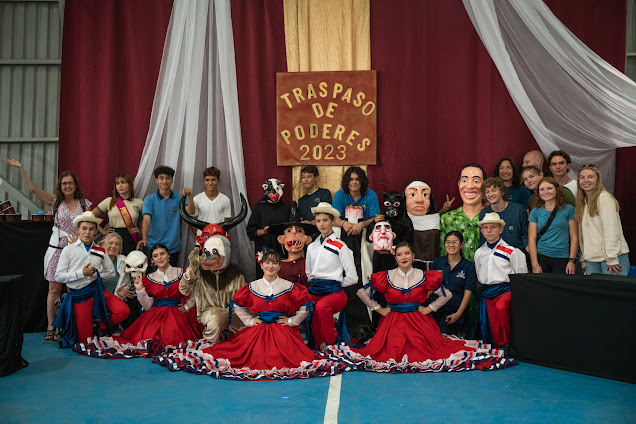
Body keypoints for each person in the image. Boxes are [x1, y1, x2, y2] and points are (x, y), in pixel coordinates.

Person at [153, 250, 346, 380]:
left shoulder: (289, 286)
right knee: (243, 355)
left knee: (291, 359)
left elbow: (306, 305)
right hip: (258, 331)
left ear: (279, 266)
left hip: (283, 332)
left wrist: (292, 321)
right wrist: (249, 320)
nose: (271, 266)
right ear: (261, 265)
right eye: (267, 262)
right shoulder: (253, 286)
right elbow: (237, 305)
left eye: (275, 263)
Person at [339, 242, 514, 373]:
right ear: (395, 257)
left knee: (427, 350)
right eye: (400, 254)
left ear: (413, 255)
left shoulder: (423, 275)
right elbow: (362, 292)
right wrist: (379, 309)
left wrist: (429, 309)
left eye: (407, 253)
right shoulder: (386, 276)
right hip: (392, 324)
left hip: (420, 324)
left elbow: (446, 295)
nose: (404, 257)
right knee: (388, 351)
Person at [4, 158, 92, 341]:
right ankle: (51, 326)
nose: (67, 186)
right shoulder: (55, 202)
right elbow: (34, 190)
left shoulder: (85, 204)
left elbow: (91, 225)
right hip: (57, 250)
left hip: (76, 251)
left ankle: (73, 325)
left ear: (75, 185)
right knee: (54, 289)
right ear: (60, 186)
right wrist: (21, 168)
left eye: (70, 183)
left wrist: (97, 236)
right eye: (64, 183)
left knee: (74, 288)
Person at [73, 244, 203, 358]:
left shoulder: (183, 272)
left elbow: (194, 292)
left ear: (168, 255)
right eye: (156, 256)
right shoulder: (148, 278)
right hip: (155, 315)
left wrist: (187, 306)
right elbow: (147, 306)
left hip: (178, 314)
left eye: (162, 254)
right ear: (152, 260)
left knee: (176, 337)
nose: (160, 257)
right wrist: (140, 289)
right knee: (148, 339)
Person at [52, 211, 129, 348]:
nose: (87, 232)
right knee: (85, 340)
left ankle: (103, 324)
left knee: (123, 311)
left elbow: (111, 273)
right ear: (77, 229)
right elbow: (58, 276)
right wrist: (81, 273)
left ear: (95, 231)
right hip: (81, 296)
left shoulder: (100, 250)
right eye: (84, 228)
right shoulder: (68, 250)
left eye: (91, 229)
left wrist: (95, 275)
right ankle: (96, 328)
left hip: (98, 291)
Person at [179, 195, 249, 343]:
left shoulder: (236, 273)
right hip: (210, 313)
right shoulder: (198, 271)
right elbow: (184, 290)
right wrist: (192, 269)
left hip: (233, 313)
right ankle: (210, 345)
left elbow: (244, 298)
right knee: (215, 320)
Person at [306, 202, 358, 350]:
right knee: (311, 311)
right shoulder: (311, 247)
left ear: (333, 221)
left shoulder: (341, 247)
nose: (322, 224)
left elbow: (353, 277)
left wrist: (335, 284)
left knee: (322, 307)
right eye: (318, 221)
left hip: (335, 293)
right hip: (315, 290)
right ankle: (320, 346)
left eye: (325, 220)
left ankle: (332, 344)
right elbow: (309, 273)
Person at [474, 212, 528, 348]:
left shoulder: (511, 251)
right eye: (485, 228)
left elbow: (521, 275)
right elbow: (479, 272)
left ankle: (509, 343)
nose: (489, 230)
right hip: (488, 291)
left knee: (501, 307)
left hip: (506, 290)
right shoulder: (479, 253)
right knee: (492, 320)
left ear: (501, 229)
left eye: (493, 227)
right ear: (482, 231)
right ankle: (498, 345)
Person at [575, 165, 630, 276]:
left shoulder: (604, 198)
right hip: (592, 260)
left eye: (590, 177)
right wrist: (583, 259)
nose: (586, 180)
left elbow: (611, 230)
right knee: (594, 288)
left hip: (612, 258)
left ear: (597, 180)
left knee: (613, 288)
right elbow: (583, 235)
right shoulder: (582, 202)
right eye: (582, 177)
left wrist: (611, 258)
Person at [138, 166, 194, 267]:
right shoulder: (149, 199)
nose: (165, 181)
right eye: (161, 178)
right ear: (156, 180)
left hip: (173, 246)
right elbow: (146, 220)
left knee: (171, 275)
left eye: (168, 178)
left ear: (172, 180)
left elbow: (190, 212)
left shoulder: (179, 197)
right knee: (153, 275)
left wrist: (189, 195)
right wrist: (144, 238)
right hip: (153, 246)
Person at [528, 178, 578, 274]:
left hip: (562, 257)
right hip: (541, 256)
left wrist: (571, 260)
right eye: (542, 189)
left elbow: (574, 237)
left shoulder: (569, 209)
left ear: (557, 190)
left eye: (549, 188)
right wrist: (535, 265)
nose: (545, 192)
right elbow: (531, 239)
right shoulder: (535, 211)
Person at [431, 231, 476, 336]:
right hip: (436, 305)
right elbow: (430, 287)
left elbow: (467, 294)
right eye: (448, 242)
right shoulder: (438, 262)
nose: (451, 245)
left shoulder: (468, 266)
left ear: (461, 245)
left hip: (455, 308)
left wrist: (458, 314)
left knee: (443, 334)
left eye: (455, 242)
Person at [440, 163, 486, 262]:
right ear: (459, 184)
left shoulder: (492, 217)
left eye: (476, 181)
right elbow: (443, 256)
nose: (469, 186)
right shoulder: (447, 219)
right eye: (464, 180)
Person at [246, 178, 290, 278]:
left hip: (282, 249)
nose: (273, 193)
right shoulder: (259, 207)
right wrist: (263, 231)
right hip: (264, 247)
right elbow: (251, 230)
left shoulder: (285, 208)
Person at [92, 173, 143, 255]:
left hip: (131, 237)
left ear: (130, 185)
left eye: (123, 182)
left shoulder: (139, 202)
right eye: (117, 183)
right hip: (113, 238)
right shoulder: (109, 201)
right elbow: (90, 216)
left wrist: (140, 230)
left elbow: (148, 220)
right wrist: (102, 231)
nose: (120, 186)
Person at [267, 202, 316, 287]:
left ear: (307, 239)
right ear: (281, 239)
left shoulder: (313, 264)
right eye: (288, 231)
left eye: (299, 231)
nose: (293, 232)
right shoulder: (277, 266)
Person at [478, 177, 528, 250]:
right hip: (494, 255)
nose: (490, 194)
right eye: (487, 192)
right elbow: (483, 240)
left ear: (502, 192)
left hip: (517, 254)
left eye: (494, 190)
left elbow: (526, 236)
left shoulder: (518, 210)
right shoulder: (484, 213)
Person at [400, 179, 440, 267]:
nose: (419, 200)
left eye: (425, 195)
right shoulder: (399, 223)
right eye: (412, 195)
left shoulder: (436, 220)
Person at [191, 167, 231, 235]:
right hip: (202, 238)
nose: (210, 183)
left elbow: (227, 222)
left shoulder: (225, 199)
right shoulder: (196, 199)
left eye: (213, 180)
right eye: (207, 180)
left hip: (220, 237)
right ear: (203, 181)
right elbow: (193, 221)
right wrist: (200, 235)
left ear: (218, 181)